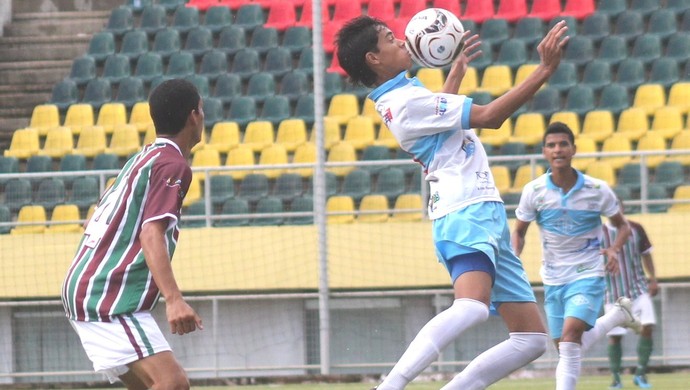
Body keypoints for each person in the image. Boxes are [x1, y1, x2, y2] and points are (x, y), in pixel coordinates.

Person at [336, 15, 568, 390]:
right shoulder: (406, 101)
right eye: (390, 39)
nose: (402, 42)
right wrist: (544, 69)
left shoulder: (407, 97)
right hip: (464, 209)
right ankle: (390, 385)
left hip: (483, 207)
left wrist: (456, 72)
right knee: (472, 306)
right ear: (374, 59)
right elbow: (489, 118)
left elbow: (442, 124)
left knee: (531, 341)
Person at [61, 78, 205, 389]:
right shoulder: (172, 165)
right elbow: (151, 233)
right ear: (194, 116)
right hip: (107, 296)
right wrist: (174, 299)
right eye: (202, 110)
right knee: (173, 383)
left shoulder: (142, 159)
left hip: (88, 289)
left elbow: (95, 220)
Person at [511, 122, 642, 390]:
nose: (557, 149)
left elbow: (623, 226)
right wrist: (513, 260)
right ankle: (617, 316)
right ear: (545, 152)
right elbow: (520, 232)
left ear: (573, 149)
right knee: (566, 347)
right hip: (553, 277)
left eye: (563, 144)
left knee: (571, 339)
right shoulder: (534, 191)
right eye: (551, 145)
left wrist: (614, 248)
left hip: (588, 273)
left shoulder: (597, 189)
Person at [603, 200, 658, 389]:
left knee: (648, 327)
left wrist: (653, 278)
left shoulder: (636, 228)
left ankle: (640, 374)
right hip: (613, 293)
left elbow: (646, 254)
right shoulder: (599, 232)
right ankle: (616, 379)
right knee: (615, 335)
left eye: (619, 207)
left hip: (638, 289)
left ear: (623, 209)